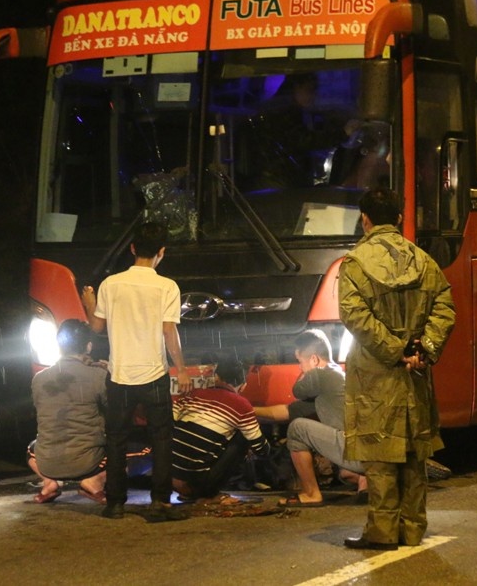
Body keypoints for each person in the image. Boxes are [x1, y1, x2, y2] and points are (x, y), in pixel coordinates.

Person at [338, 187, 455, 550]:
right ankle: (412, 528)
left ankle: (382, 531)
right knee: (413, 454)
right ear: (401, 218)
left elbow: (354, 315)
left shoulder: (355, 263)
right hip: (415, 374)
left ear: (365, 219)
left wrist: (394, 349)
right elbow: (444, 308)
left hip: (376, 373)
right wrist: (423, 348)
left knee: (381, 454)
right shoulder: (423, 261)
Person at [82, 221, 191, 522]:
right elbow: (169, 332)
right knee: (162, 439)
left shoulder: (110, 284)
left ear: (132, 249)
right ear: (161, 252)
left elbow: (96, 328)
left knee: (116, 438)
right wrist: (180, 369)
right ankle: (160, 503)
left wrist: (89, 303)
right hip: (154, 373)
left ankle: (115, 503)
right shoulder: (167, 286)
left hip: (118, 374)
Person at [268, 329, 366, 507]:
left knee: (297, 429)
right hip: (368, 452)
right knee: (344, 473)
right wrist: (248, 410)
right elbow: (288, 411)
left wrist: (306, 372)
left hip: (356, 453)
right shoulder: (337, 375)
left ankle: (311, 493)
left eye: (300, 361)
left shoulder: (319, 374)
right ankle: (366, 482)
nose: (299, 367)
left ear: (314, 359)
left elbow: (296, 391)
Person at [26, 319, 109, 504]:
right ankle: (93, 482)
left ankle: (49, 483)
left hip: (48, 463)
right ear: (88, 347)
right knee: (143, 451)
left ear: (59, 346)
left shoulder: (39, 379)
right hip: (87, 463)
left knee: (32, 449)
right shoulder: (99, 375)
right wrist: (109, 371)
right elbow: (115, 410)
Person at [171, 357, 271, 504]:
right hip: (199, 484)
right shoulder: (242, 405)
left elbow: (169, 423)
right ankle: (209, 494)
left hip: (170, 478)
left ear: (216, 378)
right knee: (243, 437)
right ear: (243, 386)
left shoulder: (191, 395)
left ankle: (186, 492)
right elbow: (261, 450)